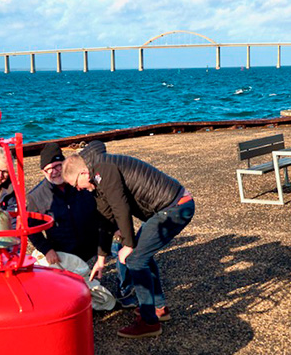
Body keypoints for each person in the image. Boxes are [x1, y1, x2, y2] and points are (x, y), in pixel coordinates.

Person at [62, 141, 194, 338]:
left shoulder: (103, 170)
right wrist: (101, 259)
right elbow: (106, 219)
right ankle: (158, 309)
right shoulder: (97, 179)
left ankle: (149, 322)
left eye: (75, 185)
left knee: (135, 260)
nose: (78, 190)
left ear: (83, 174)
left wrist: (128, 245)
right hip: (170, 207)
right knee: (142, 257)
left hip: (175, 207)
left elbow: (121, 208)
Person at [27, 142, 116, 310]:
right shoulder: (35, 197)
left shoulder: (81, 182)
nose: (55, 172)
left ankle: (126, 291)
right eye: (49, 169)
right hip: (64, 250)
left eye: (58, 166)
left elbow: (105, 206)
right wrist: (46, 249)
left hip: (94, 244)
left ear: (66, 164)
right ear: (42, 172)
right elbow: (32, 230)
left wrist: (115, 229)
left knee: (124, 248)